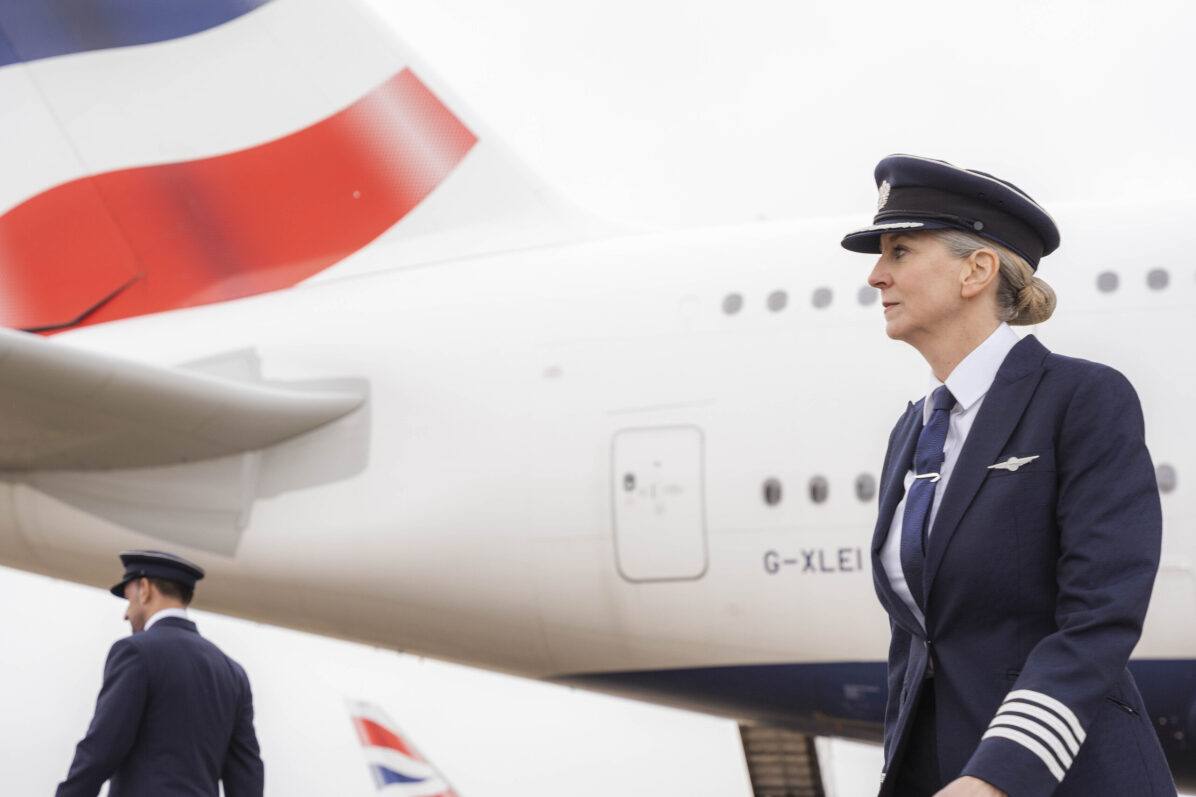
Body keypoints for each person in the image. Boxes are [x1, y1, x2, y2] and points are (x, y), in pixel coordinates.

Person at [841, 155, 1175, 797]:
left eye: (900, 251)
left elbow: (1098, 619)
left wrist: (995, 779)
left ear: (977, 269)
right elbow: (915, 645)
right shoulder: (910, 432)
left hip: (1064, 778)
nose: (876, 276)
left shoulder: (1081, 399)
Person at [56, 550, 264, 796]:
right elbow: (246, 777)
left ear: (145, 589)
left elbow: (100, 750)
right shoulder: (233, 673)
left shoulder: (135, 651)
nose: (126, 613)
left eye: (128, 599)